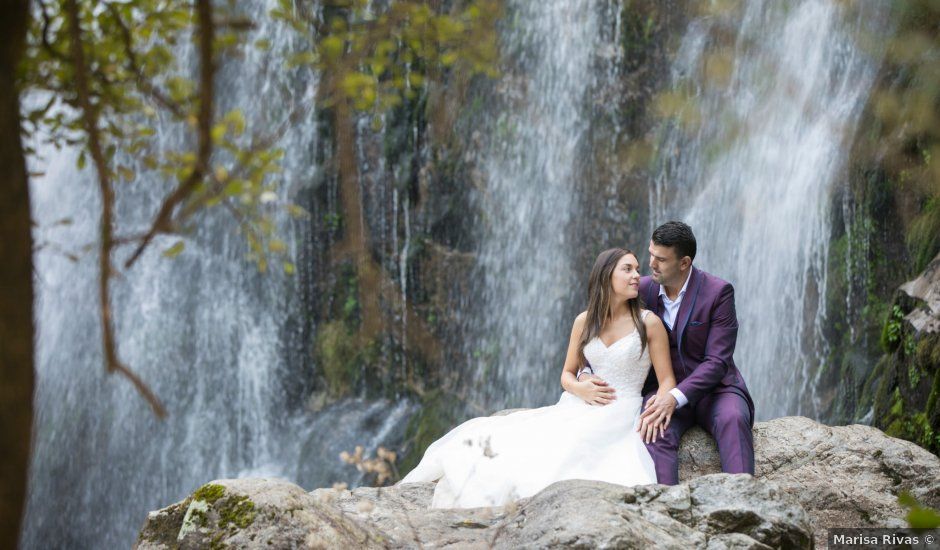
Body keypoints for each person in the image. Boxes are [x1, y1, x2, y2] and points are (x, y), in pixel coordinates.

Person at [398, 248, 677, 508]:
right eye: (627, 269)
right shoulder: (584, 321)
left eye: (637, 269)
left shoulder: (648, 322)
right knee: (531, 449)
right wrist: (581, 389)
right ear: (607, 275)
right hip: (580, 404)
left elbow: (667, 380)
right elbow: (567, 374)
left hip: (622, 409)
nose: (637, 275)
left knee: (576, 452)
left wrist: (658, 407)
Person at [587, 221, 755, 485]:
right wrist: (586, 373)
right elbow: (601, 330)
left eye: (661, 259)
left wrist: (675, 397)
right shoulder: (639, 289)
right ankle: (668, 507)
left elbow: (718, 361)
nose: (651, 263)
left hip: (716, 390)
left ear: (684, 262)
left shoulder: (718, 293)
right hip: (661, 387)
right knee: (653, 429)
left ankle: (748, 503)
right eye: (651, 254)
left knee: (733, 419)